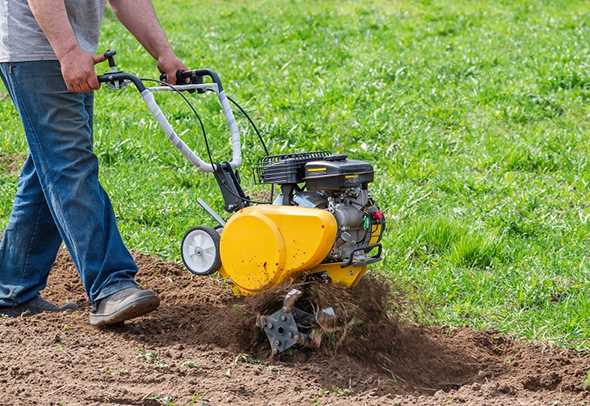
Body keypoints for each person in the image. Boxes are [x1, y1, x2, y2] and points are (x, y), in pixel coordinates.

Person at [0, 0, 187, 326]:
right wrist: (68, 51)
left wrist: (163, 52)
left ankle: (13, 288)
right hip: (36, 48)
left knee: (51, 164)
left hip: (68, 49)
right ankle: (110, 286)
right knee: (68, 165)